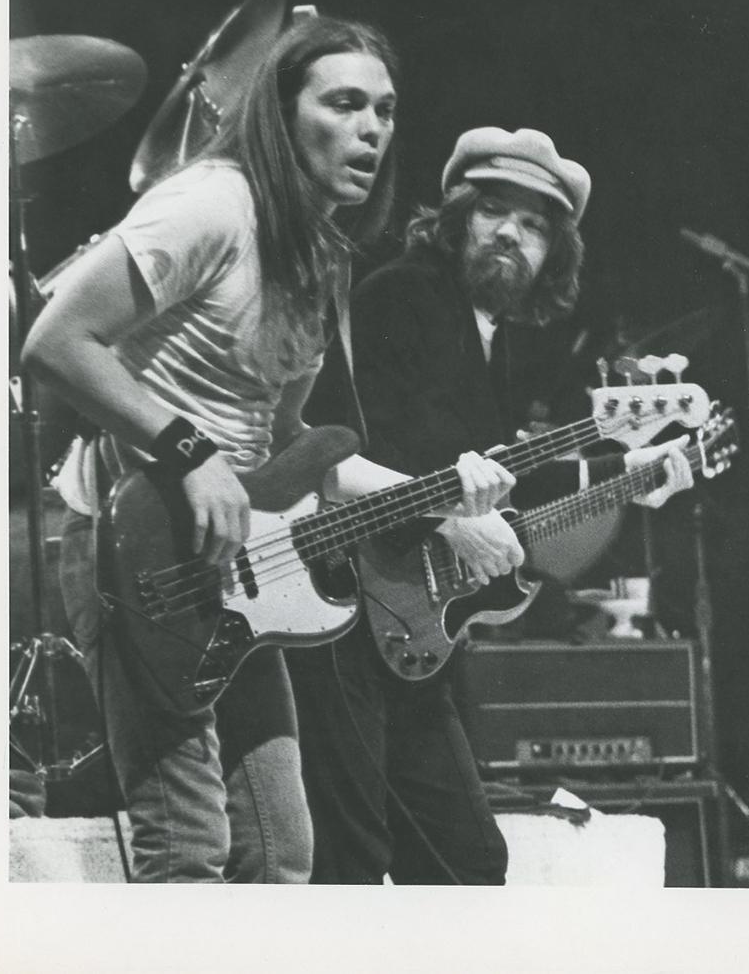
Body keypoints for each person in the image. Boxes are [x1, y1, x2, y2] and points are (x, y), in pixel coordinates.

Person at [21, 17, 514, 882]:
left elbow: (290, 448)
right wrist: (187, 449)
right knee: (189, 846)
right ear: (282, 116)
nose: (372, 129)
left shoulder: (321, 258)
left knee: (281, 852)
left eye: (386, 110)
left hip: (232, 568)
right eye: (345, 104)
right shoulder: (211, 202)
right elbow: (55, 341)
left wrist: (441, 498)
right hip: (137, 544)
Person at [288, 127, 694, 885]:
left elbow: (492, 476)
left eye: (535, 224)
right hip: (344, 605)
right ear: (455, 219)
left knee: (464, 860)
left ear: (554, 253)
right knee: (351, 858)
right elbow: (358, 446)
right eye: (493, 211)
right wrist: (446, 517)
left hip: (407, 625)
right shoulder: (405, 294)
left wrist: (627, 467)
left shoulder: (483, 330)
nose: (511, 233)